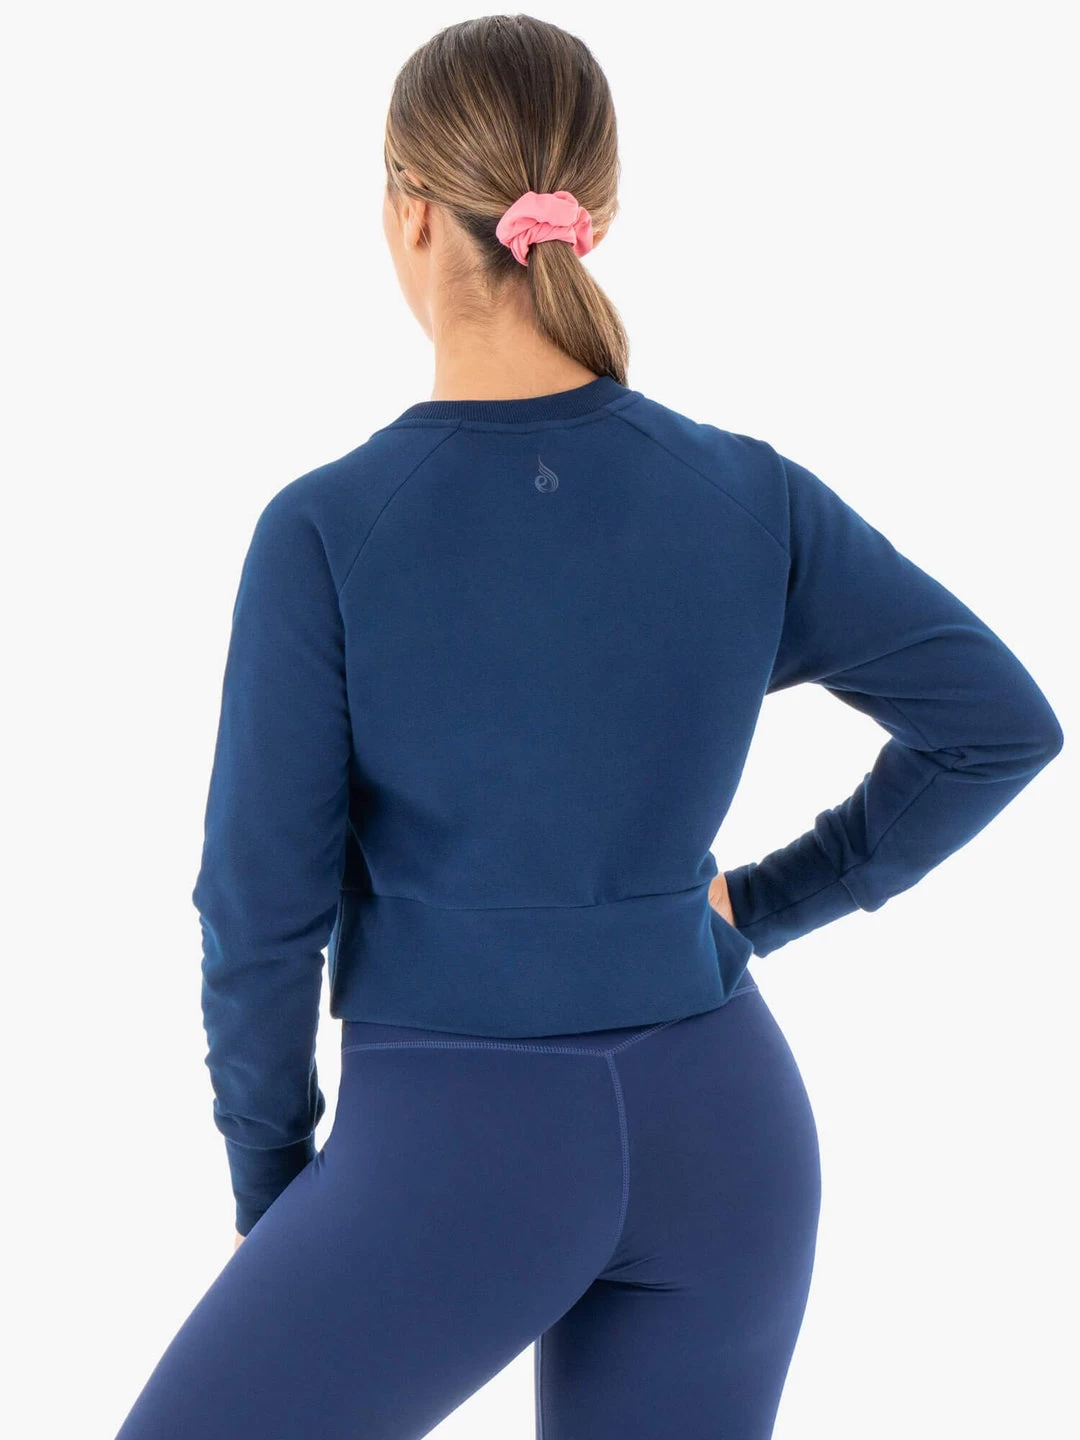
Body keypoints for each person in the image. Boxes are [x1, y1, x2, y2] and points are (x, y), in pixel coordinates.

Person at [112, 14, 1064, 1440]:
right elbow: (995, 726)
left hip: (453, 1150)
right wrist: (758, 911)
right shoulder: (749, 498)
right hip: (729, 1137)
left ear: (409, 212)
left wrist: (278, 1191)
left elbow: (257, 914)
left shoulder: (327, 532)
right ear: (591, 221)